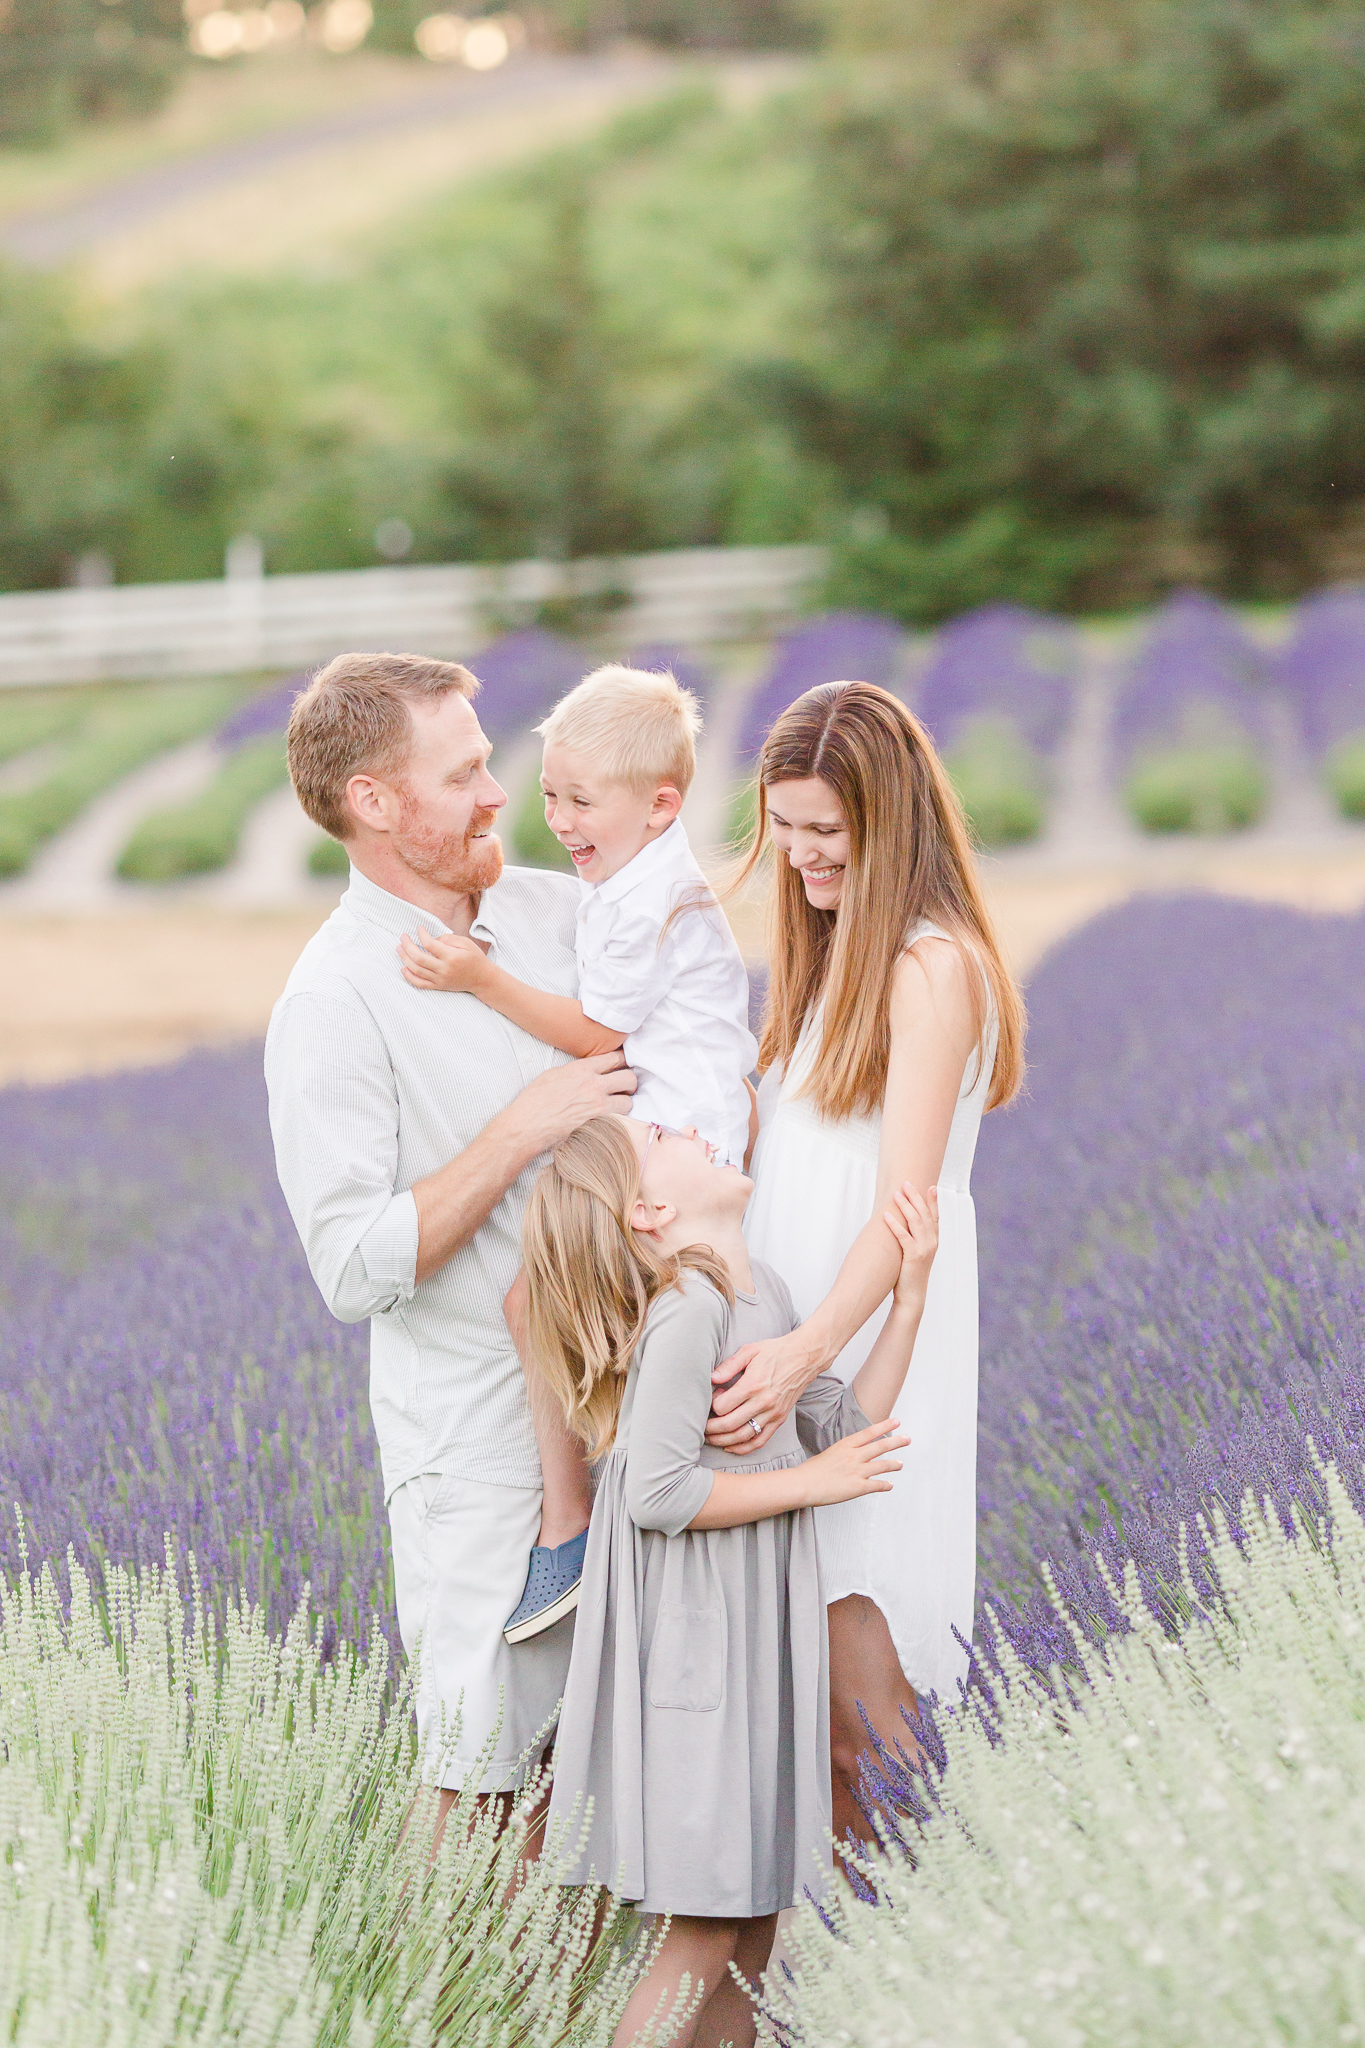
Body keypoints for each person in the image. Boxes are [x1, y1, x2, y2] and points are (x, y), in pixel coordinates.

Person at [264, 650, 635, 1833]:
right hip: (480, 1454)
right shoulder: (333, 1000)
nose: (498, 794)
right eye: (465, 770)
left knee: (625, 1789)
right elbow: (353, 1262)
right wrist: (524, 1127)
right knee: (481, 1793)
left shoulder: (560, 913)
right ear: (373, 801)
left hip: (643, 1413)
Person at [520, 1114, 938, 2048]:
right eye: (655, 1134)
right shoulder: (687, 1310)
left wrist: (905, 1300)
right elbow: (656, 1490)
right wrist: (807, 1487)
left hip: (750, 1647)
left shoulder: (765, 1295)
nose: (682, 1125)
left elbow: (836, 1426)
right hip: (697, 1664)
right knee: (706, 1926)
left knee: (750, 1929)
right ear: (650, 1209)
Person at [708, 680, 1026, 1851]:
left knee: (869, 1706)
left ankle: (957, 1957)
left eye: (823, 833)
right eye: (783, 829)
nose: (796, 858)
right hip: (802, 1345)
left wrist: (802, 1351)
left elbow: (906, 1207)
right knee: (817, 1727)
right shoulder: (832, 958)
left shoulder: (931, 968)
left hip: (867, 1342)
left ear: (887, 820)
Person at [396, 664, 757, 1644]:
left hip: (675, 1149)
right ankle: (601, 1503)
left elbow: (598, 1030)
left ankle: (575, 1521)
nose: (558, 816)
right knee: (565, 1310)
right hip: (670, 1132)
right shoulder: (635, 872)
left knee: (539, 1299)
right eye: (550, 793)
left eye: (580, 799)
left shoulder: (646, 898)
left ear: (663, 803)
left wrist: (479, 975)